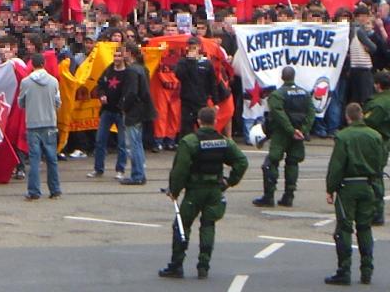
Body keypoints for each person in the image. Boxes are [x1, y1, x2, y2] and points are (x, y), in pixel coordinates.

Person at [158, 106, 248, 279]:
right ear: (215, 121)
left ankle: (177, 265)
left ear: (198, 122)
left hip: (195, 191)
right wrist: (230, 181)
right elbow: (241, 162)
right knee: (208, 225)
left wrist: (174, 190)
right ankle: (204, 266)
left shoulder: (190, 141)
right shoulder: (224, 141)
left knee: (182, 226)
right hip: (215, 190)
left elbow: (180, 170)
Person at [324, 103, 385, 285]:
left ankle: (344, 270)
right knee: (365, 228)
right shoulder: (376, 136)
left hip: (348, 187)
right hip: (369, 185)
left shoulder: (343, 137)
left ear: (348, 117)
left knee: (344, 228)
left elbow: (337, 166)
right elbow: (381, 161)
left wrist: (330, 188)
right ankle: (367, 271)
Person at [253, 66, 315, 208]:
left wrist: (290, 129)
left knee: (271, 163)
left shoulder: (277, 95)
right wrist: (303, 130)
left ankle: (269, 196)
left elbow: (278, 114)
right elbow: (311, 113)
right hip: (298, 134)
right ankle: (289, 196)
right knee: (293, 163)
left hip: (281, 134)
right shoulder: (304, 94)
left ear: (282, 77)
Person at [18, 52, 61, 200]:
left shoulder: (26, 82)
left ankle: (34, 191)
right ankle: (55, 189)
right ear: (44, 64)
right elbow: (58, 102)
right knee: (52, 158)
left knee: (34, 159)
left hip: (33, 123)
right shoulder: (53, 81)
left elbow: (21, 103)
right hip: (49, 122)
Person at [87, 46, 128, 181]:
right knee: (100, 141)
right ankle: (98, 168)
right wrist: (102, 95)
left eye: (119, 56)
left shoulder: (128, 72)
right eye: (115, 56)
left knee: (122, 143)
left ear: (124, 57)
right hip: (107, 110)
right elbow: (100, 85)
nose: (116, 59)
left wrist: (123, 105)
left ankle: (120, 169)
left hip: (120, 111)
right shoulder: (108, 71)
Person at [119, 41, 157, 185]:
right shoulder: (142, 68)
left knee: (133, 144)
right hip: (142, 109)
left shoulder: (132, 70)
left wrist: (123, 106)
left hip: (133, 111)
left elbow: (132, 92)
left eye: (124, 51)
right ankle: (139, 173)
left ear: (129, 53)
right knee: (137, 143)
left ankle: (137, 175)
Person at [174, 36, 217, 137]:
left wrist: (216, 102)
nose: (192, 49)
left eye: (194, 47)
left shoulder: (206, 62)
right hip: (187, 102)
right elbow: (179, 75)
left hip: (201, 101)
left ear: (199, 47)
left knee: (204, 128)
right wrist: (190, 61)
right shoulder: (182, 62)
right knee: (186, 130)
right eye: (190, 47)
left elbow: (212, 82)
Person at [364, 71, 390, 226]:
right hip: (385, 140)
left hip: (376, 141)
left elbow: (369, 122)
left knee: (374, 176)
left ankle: (377, 212)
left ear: (378, 85)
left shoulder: (378, 103)